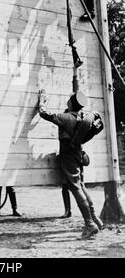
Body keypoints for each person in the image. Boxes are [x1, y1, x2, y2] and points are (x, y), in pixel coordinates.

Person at [37, 89, 103, 239]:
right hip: (79, 153)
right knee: (82, 186)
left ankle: (89, 224)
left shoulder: (65, 117)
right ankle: (95, 219)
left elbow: (44, 114)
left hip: (68, 155)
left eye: (69, 99)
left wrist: (42, 100)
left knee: (75, 187)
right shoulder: (83, 116)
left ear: (72, 103)